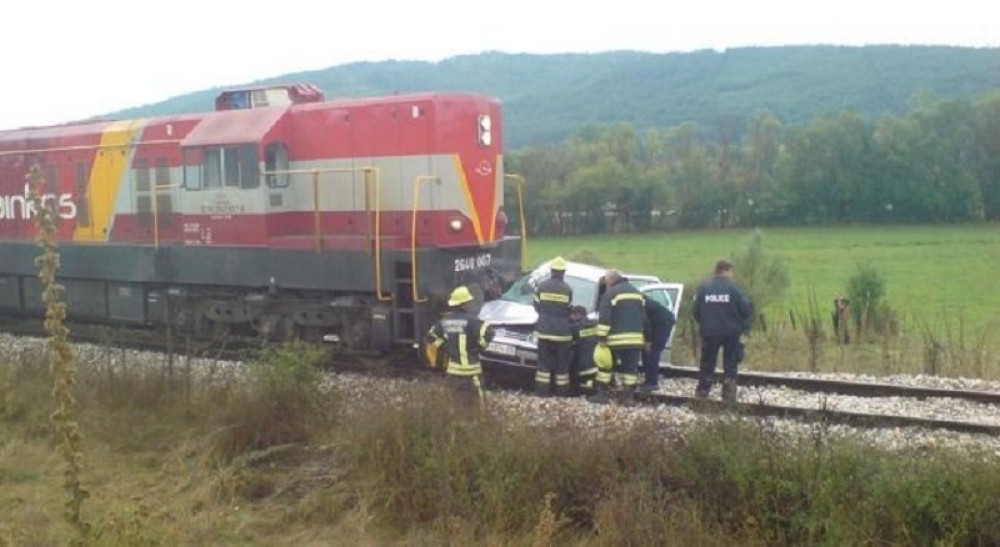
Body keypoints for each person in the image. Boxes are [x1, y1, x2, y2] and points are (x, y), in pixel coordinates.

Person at [692, 260, 754, 402]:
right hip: (732, 332)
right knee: (731, 361)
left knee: (707, 362)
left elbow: (695, 311)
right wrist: (744, 327)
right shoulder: (735, 288)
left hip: (710, 332)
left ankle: (703, 391)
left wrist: (705, 323)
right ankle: (729, 392)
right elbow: (746, 309)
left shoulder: (704, 288)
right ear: (728, 270)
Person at [425, 285, 493, 412]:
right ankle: (480, 427)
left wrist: (446, 347)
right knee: (478, 405)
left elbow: (430, 337)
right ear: (465, 304)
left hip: (454, 372)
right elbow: (488, 332)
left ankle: (456, 428)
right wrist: (478, 347)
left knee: (454, 404)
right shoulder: (473, 321)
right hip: (472, 372)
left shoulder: (444, 321)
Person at [589, 270, 645, 404]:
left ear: (610, 281)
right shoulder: (637, 293)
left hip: (615, 340)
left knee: (606, 367)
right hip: (635, 339)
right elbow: (643, 316)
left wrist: (601, 337)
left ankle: (602, 395)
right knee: (630, 369)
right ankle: (628, 398)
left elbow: (604, 317)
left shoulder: (610, 293)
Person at [533, 257, 574, 396]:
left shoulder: (542, 286)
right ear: (563, 272)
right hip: (562, 333)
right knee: (562, 364)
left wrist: (545, 315)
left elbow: (536, 306)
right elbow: (569, 310)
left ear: (551, 271)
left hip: (544, 331)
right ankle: (561, 393)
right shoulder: (567, 289)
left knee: (543, 363)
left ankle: (542, 392)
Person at [638, 294, 676, 393]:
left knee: (652, 352)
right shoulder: (640, 300)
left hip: (663, 323)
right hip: (660, 322)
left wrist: (648, 340)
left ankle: (652, 383)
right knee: (647, 352)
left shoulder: (638, 303)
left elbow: (646, 323)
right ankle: (649, 380)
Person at [569, 305, 599, 395]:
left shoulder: (575, 328)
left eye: (572, 315)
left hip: (582, 367)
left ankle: (577, 389)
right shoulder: (596, 324)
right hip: (597, 365)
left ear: (578, 315)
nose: (571, 317)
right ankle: (590, 387)